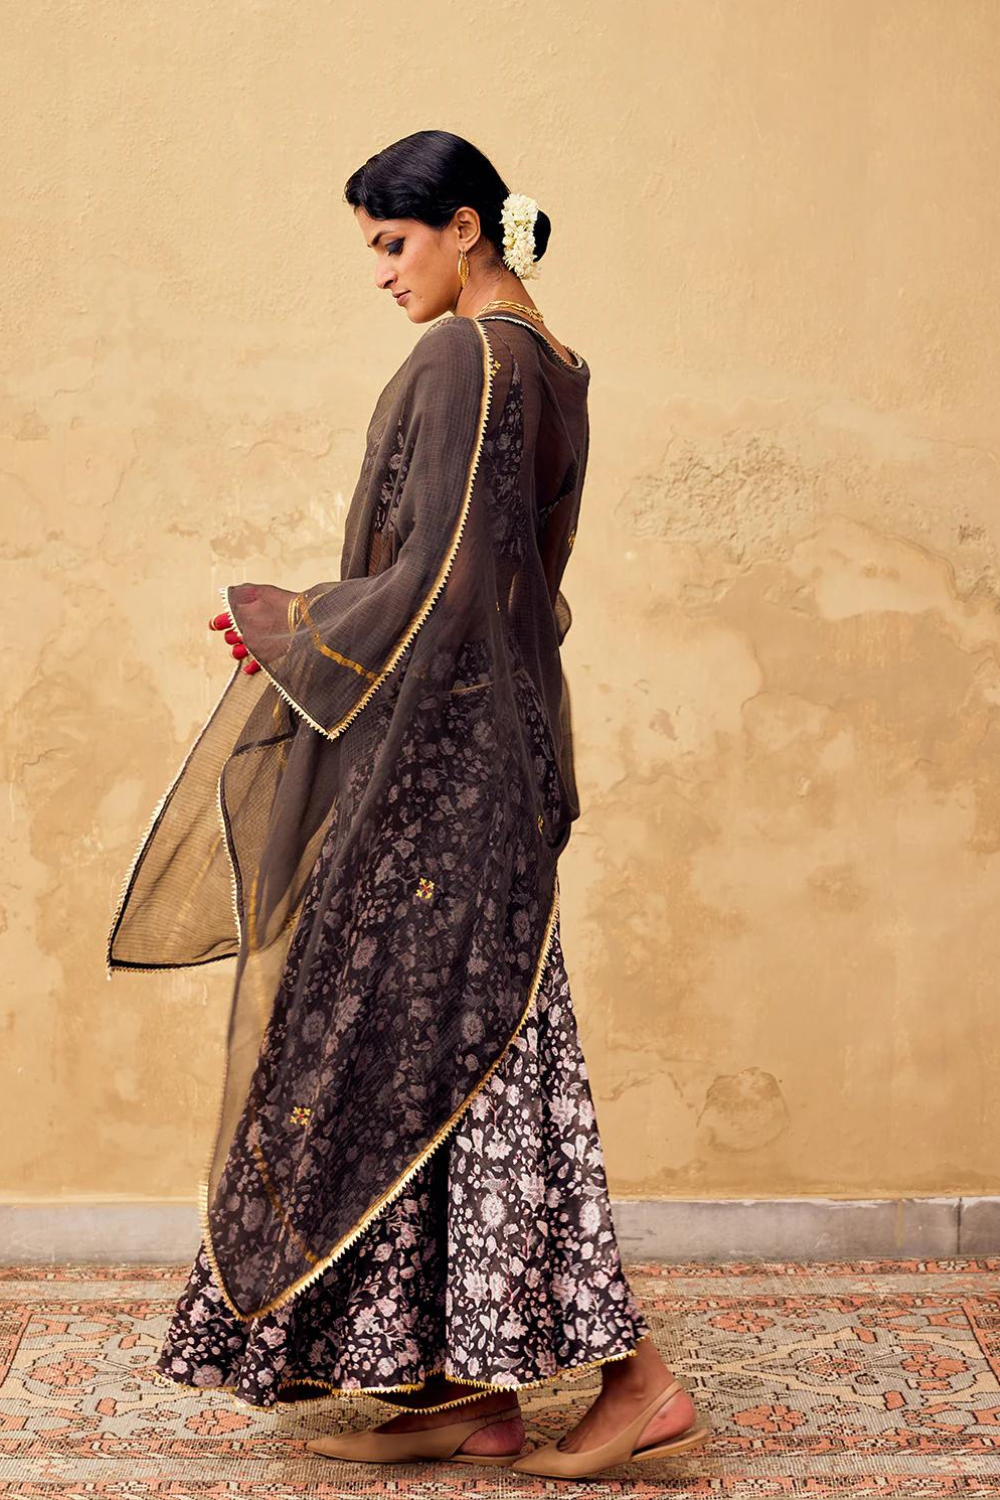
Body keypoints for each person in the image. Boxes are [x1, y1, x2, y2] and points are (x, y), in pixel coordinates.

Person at [106, 130, 710, 1478]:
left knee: (463, 1058)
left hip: (445, 769)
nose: (381, 273)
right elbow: (509, 582)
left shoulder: (466, 358)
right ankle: (460, 1393)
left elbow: (443, 581)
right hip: (498, 755)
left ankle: (637, 1380)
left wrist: (296, 624)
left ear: (468, 228)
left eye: (394, 243)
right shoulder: (555, 363)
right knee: (450, 1051)